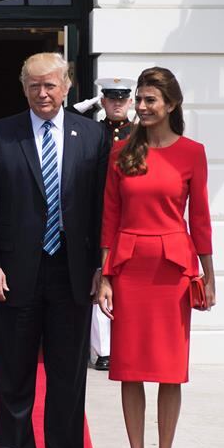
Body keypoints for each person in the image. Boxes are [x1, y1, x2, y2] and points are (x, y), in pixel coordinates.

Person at [0, 52, 108, 448]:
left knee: (68, 378)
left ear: (67, 85)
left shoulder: (93, 135)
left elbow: (103, 209)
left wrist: (101, 269)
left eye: (50, 85)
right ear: (23, 87)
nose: (43, 93)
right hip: (13, 274)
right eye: (34, 85)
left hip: (72, 273)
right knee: (14, 377)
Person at [96, 67, 215, 448]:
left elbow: (199, 218)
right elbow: (109, 216)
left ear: (171, 104)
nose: (141, 107)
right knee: (128, 369)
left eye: (150, 100)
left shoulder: (192, 153)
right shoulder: (120, 152)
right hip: (128, 269)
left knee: (168, 371)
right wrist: (104, 275)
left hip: (172, 273)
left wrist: (208, 274)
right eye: (139, 100)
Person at [88, 77, 135, 372]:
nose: (116, 103)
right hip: (96, 213)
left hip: (126, 215)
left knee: (123, 280)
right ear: (102, 101)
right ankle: (102, 349)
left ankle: (122, 344)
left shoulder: (139, 134)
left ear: (130, 102)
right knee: (98, 278)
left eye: (122, 99)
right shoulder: (91, 131)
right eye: (110, 98)